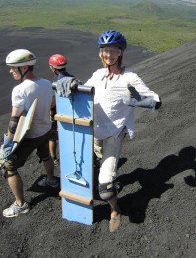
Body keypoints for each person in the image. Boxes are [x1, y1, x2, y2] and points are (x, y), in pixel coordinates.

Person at [56, 30, 161, 232]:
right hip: (93, 132)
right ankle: (106, 180)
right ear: (101, 52)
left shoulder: (129, 78)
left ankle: (114, 210)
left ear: (121, 53)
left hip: (113, 135)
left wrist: (137, 100)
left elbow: (154, 100)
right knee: (93, 169)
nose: (109, 55)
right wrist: (69, 81)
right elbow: (82, 94)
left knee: (104, 186)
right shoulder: (98, 74)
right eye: (105, 50)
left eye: (114, 51)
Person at [1, 49, 58, 218]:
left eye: (13, 68)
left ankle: (21, 204)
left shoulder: (20, 90)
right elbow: (53, 106)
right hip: (45, 130)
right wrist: (52, 126)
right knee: (46, 155)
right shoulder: (47, 83)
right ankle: (51, 180)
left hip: (30, 136)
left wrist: (8, 145)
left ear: (24, 68)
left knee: (8, 167)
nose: (10, 71)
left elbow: (14, 122)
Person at [48, 54, 73, 166]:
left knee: (53, 137)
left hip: (56, 113)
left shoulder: (55, 82)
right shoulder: (71, 77)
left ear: (53, 68)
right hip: (70, 111)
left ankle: (53, 158)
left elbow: (53, 102)